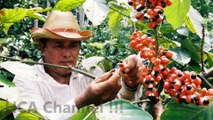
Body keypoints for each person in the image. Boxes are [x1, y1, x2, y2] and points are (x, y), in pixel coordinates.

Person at [11, 10, 142, 120]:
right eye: (59, 46)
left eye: (73, 46)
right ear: (42, 47)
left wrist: (130, 83)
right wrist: (82, 101)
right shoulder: (26, 79)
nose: (67, 54)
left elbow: (118, 108)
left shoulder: (91, 74)